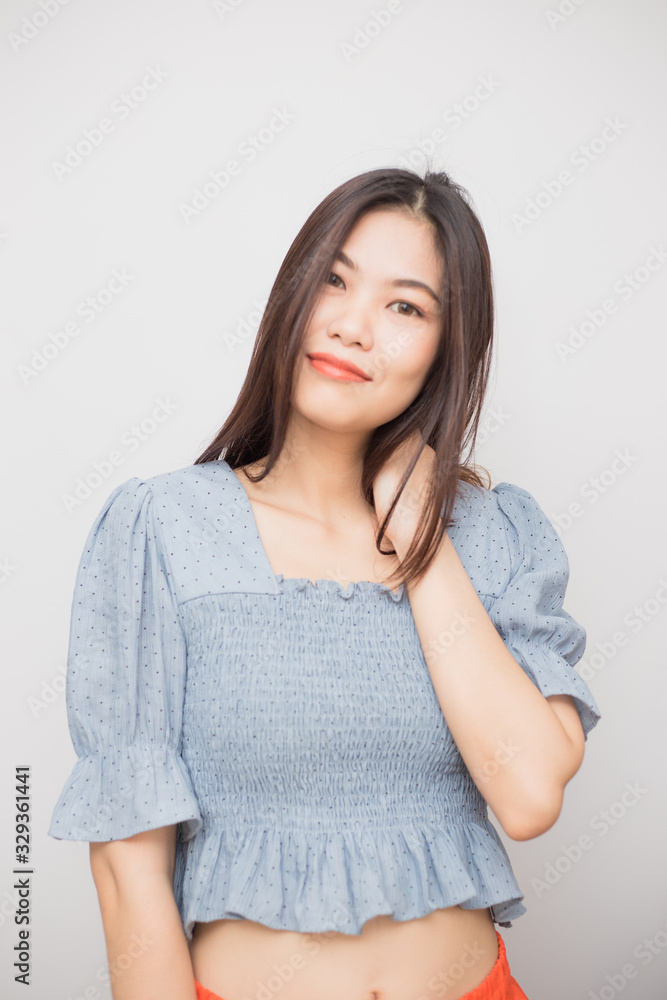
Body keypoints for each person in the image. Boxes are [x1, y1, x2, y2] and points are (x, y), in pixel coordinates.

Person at [48, 166, 602, 1000]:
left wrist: (420, 536)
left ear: (446, 347)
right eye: (333, 281)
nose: (351, 325)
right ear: (291, 295)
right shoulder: (164, 527)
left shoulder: (497, 535)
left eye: (404, 307)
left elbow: (527, 796)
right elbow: (130, 871)